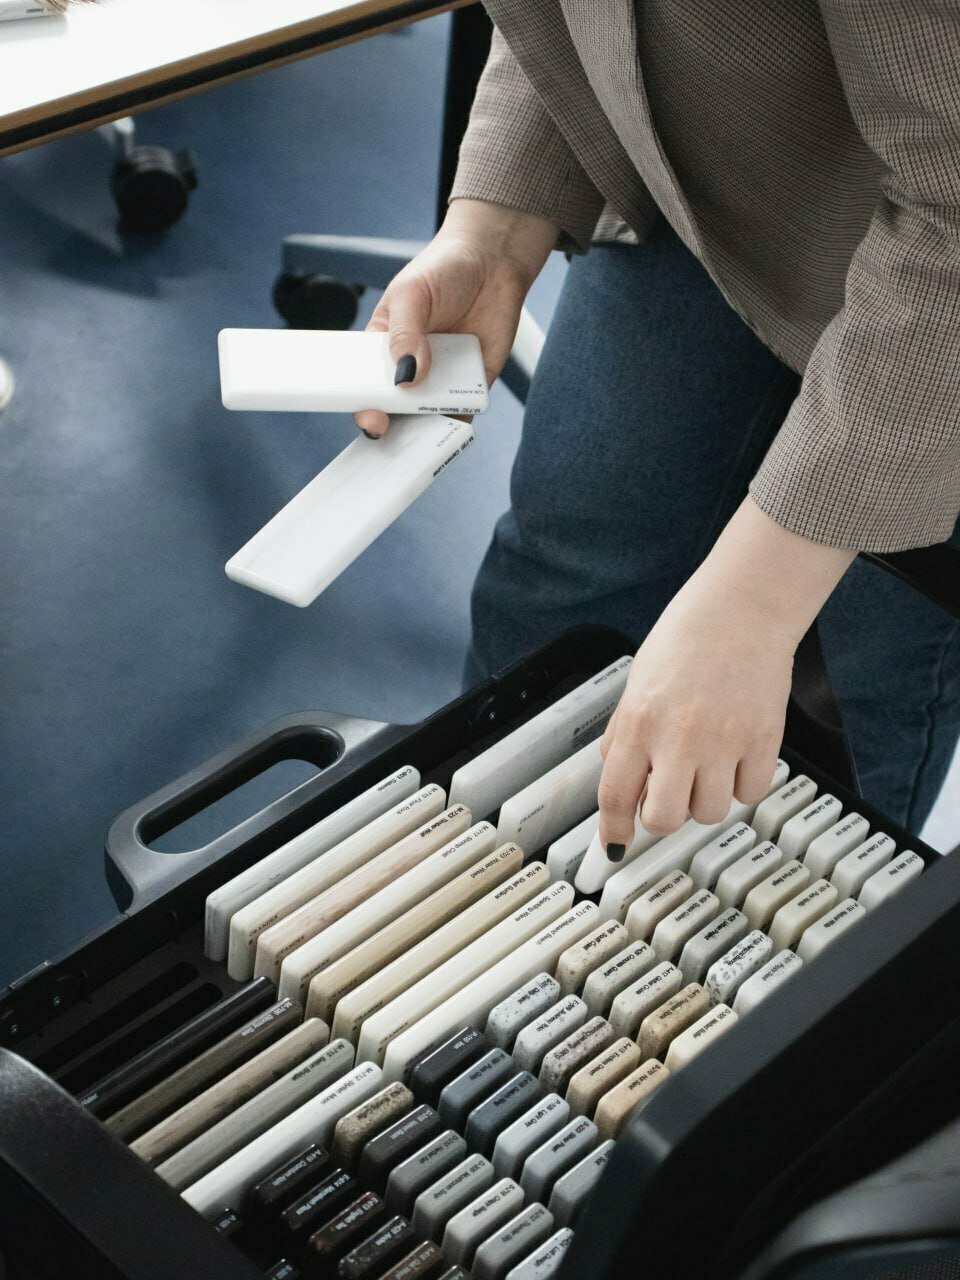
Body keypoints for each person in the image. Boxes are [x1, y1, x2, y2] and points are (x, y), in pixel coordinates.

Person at [356, 2, 960, 853]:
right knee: (560, 588)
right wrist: (493, 231)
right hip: (720, 179)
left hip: (942, 266)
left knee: (851, 693)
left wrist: (756, 605)